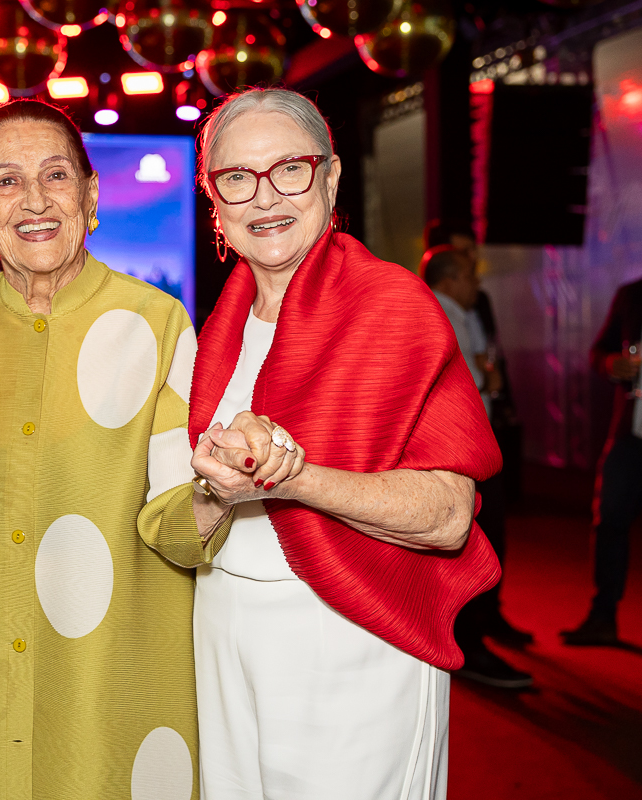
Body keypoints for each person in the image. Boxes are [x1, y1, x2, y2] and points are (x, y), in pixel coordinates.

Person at [145, 88, 501, 799]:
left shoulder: (394, 307)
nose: (264, 196)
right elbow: (172, 525)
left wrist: (293, 477)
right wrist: (220, 489)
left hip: (352, 640)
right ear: (213, 199)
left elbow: (449, 515)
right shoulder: (212, 333)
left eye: (291, 169)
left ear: (331, 179)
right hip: (224, 634)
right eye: (237, 178)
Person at [0, 99, 199, 799]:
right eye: (6, 181)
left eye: (56, 175)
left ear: (91, 195)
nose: (34, 200)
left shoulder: (157, 324)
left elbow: (183, 525)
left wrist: (228, 487)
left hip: (109, 680)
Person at [422, 246, 532, 688]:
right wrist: (490, 379)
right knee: (477, 544)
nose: (477, 285)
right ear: (448, 281)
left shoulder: (453, 311)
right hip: (463, 450)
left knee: (481, 543)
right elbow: (463, 381)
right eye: (469, 276)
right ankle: (469, 643)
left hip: (467, 447)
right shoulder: (441, 313)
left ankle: (476, 633)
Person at [563, 276, 642, 645]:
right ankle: (603, 616)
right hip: (631, 433)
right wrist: (612, 363)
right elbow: (599, 351)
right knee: (609, 520)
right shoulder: (632, 294)